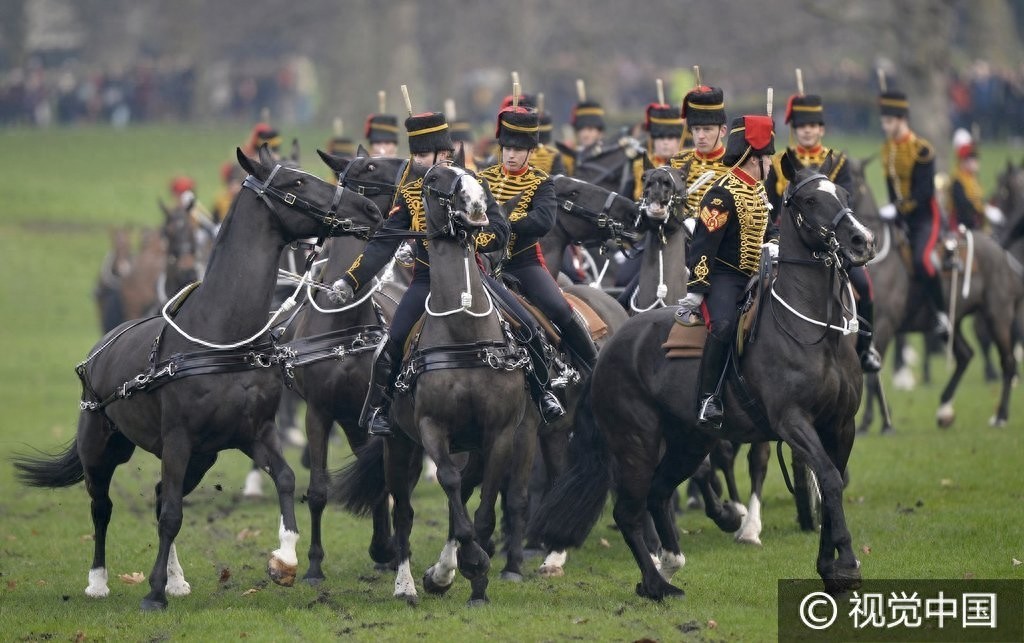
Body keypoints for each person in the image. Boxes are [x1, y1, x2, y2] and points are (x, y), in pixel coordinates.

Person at [478, 105, 599, 377]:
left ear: (531, 152)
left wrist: (503, 224)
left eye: (517, 150)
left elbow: (543, 221)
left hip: (522, 263)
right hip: (482, 265)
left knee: (559, 308)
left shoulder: (541, 182)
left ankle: (594, 369)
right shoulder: (482, 179)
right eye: (506, 148)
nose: (510, 155)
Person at [764, 92, 881, 372]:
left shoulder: (836, 161)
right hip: (787, 239)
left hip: (831, 239)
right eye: (802, 125)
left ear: (821, 129)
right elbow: (768, 202)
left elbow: (846, 200)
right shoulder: (780, 163)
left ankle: (865, 349)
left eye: (813, 125)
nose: (807, 130)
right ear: (795, 129)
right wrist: (773, 235)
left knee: (864, 286)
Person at [679, 115, 778, 429]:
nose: (772, 165)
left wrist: (774, 243)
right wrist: (698, 286)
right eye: (767, 159)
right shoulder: (722, 193)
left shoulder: (760, 193)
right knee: (723, 326)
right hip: (724, 276)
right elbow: (703, 245)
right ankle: (709, 397)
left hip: (758, 275)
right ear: (753, 159)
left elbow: (769, 229)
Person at [878, 89, 950, 339]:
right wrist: (891, 213)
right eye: (883, 121)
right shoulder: (887, 151)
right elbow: (890, 189)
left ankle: (941, 314)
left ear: (901, 120)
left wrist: (896, 208)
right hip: (900, 219)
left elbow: (923, 193)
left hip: (925, 219)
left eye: (889, 121)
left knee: (922, 261)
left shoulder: (922, 150)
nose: (885, 126)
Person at [669, 85, 730, 219]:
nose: (700, 136)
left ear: (723, 131)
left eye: (707, 129)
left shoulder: (735, 164)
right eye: (696, 129)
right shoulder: (677, 161)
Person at [631, 102, 684, 200]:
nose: (665, 143)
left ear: (678, 141)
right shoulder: (640, 165)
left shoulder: (684, 164)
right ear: (653, 140)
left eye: (670, 138)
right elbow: (638, 195)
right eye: (661, 138)